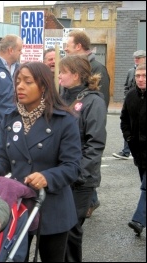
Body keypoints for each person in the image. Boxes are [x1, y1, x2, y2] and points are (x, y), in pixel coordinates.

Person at [0, 62, 82, 262]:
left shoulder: (64, 120)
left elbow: (72, 166)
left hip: (52, 206)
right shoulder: (10, 117)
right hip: (18, 205)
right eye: (17, 81)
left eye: (27, 82)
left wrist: (47, 177)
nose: (20, 87)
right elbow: (3, 157)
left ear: (43, 87)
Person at [58, 55, 107, 261]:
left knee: (71, 229)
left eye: (63, 72)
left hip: (80, 179)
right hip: (60, 174)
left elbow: (94, 143)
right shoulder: (61, 97)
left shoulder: (93, 101)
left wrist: (79, 173)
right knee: (58, 229)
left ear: (76, 75)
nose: (59, 76)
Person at [64, 29, 110, 217]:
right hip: (69, 169)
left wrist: (80, 174)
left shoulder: (97, 68)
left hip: (81, 173)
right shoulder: (66, 89)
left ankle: (90, 199)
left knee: (72, 227)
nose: (65, 50)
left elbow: (100, 103)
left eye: (68, 47)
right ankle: (91, 200)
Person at [121, 63, 146, 236]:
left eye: (144, 76)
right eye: (138, 76)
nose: (140, 79)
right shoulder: (131, 96)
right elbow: (124, 120)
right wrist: (129, 138)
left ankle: (139, 220)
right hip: (139, 152)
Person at [113, 50, 146, 160]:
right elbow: (126, 86)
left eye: (139, 57)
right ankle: (126, 150)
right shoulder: (131, 71)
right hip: (132, 103)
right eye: (135, 58)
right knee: (129, 125)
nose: (136, 59)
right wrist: (127, 99)